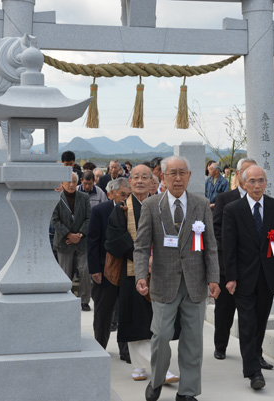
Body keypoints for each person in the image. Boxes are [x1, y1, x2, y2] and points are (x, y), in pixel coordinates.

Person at [134, 155, 220, 401]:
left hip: (195, 282)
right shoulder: (152, 205)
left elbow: (210, 246)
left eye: (183, 172)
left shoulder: (201, 204)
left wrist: (213, 277)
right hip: (163, 281)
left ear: (190, 176)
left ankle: (188, 391)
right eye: (172, 173)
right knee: (160, 335)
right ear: (162, 176)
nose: (178, 178)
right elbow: (141, 246)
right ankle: (158, 379)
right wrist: (141, 274)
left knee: (193, 340)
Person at [222, 165, 274, 390]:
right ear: (243, 183)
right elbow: (229, 246)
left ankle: (255, 354)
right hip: (243, 278)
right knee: (247, 323)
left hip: (268, 275)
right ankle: (253, 371)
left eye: (260, 181)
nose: (256, 185)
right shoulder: (233, 210)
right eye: (252, 181)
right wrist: (230, 277)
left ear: (266, 183)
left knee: (260, 321)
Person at [106, 165, 179, 383]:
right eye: (135, 177)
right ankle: (158, 367)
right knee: (134, 319)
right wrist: (142, 259)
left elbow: (173, 233)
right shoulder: (121, 208)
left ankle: (139, 367)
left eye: (144, 177)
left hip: (160, 270)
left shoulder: (163, 206)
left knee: (156, 320)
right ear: (129, 181)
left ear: (152, 182)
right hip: (132, 272)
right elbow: (116, 239)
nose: (139, 181)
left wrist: (158, 258)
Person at [211, 158, 258, 362]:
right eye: (247, 174)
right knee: (224, 310)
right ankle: (220, 345)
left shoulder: (261, 200)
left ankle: (255, 353)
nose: (252, 180)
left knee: (253, 314)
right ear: (238, 175)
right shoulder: (224, 198)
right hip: (227, 264)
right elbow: (217, 229)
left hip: (253, 266)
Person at [87, 178, 131, 362]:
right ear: (111, 193)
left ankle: (126, 350)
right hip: (104, 270)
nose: (126, 199)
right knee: (103, 312)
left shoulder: (133, 211)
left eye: (128, 195)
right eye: (123, 195)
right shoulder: (99, 211)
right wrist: (94, 269)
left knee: (127, 312)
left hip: (127, 268)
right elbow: (92, 241)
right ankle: (100, 346)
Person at [51, 172, 92, 311]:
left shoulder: (84, 197)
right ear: (61, 183)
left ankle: (84, 300)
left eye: (74, 181)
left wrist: (79, 234)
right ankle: (64, 298)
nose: (71, 184)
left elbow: (89, 218)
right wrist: (69, 235)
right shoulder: (56, 198)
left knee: (85, 270)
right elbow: (55, 220)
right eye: (68, 181)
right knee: (65, 272)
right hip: (64, 241)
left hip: (81, 241)